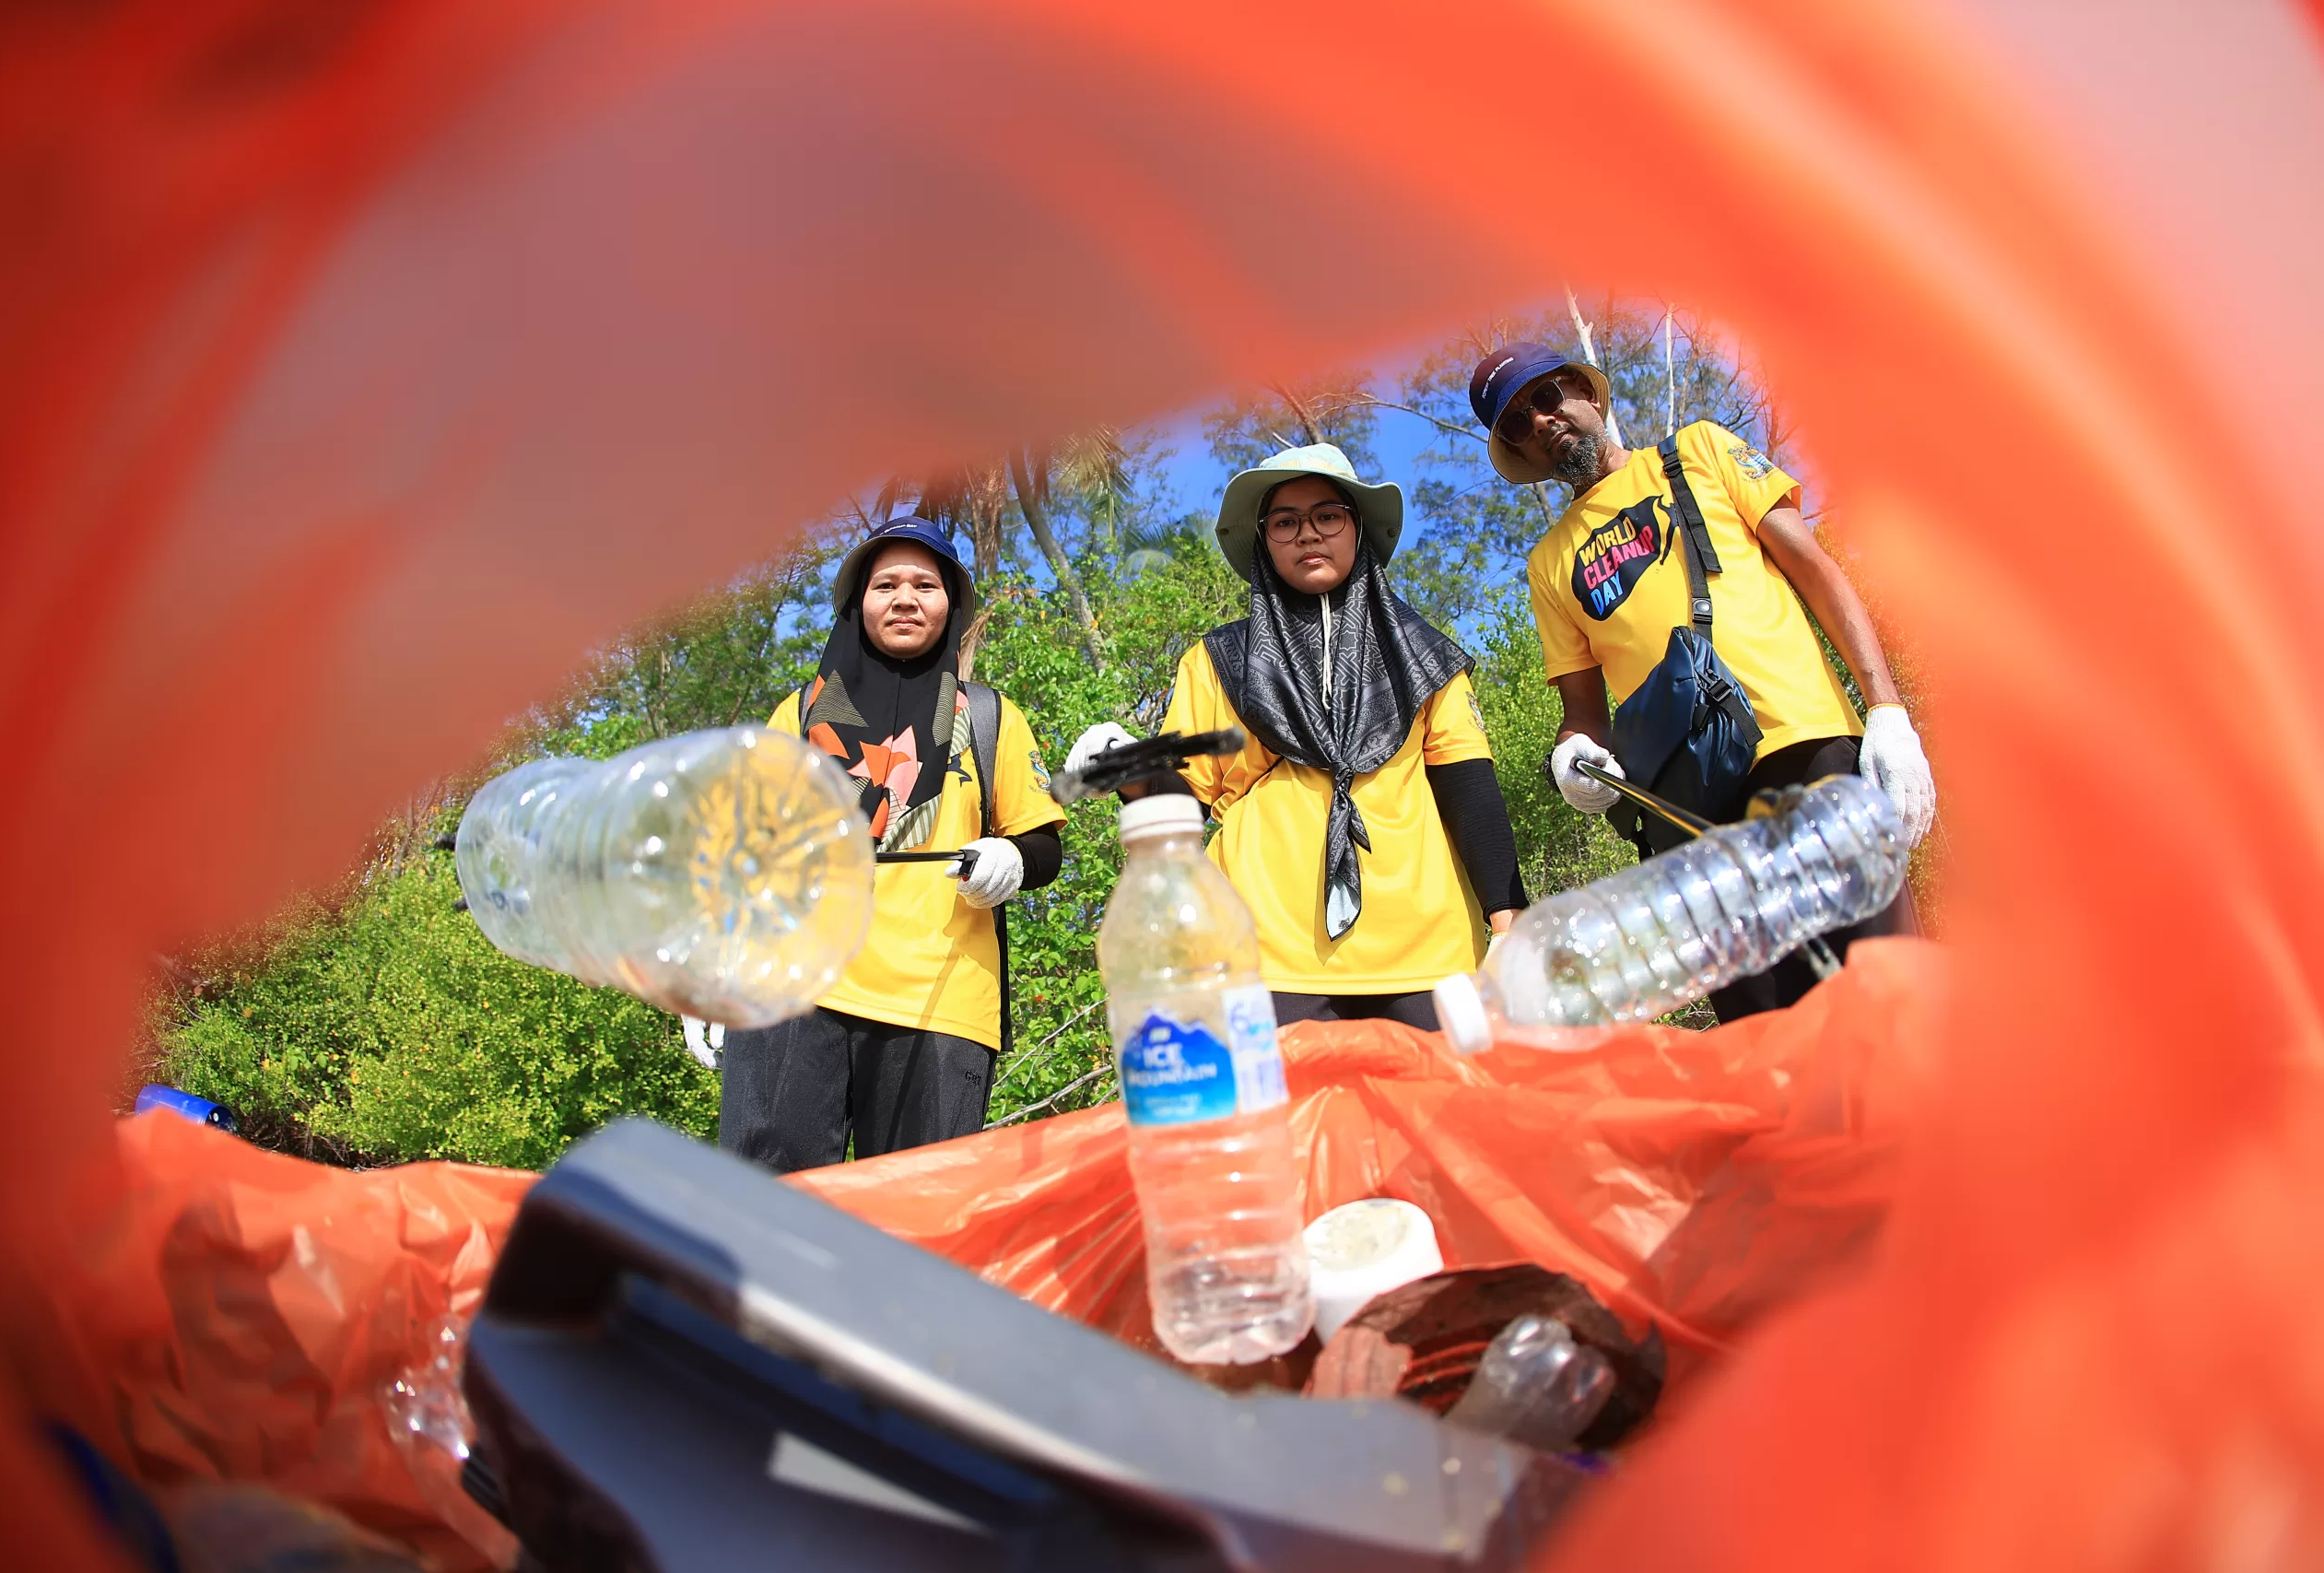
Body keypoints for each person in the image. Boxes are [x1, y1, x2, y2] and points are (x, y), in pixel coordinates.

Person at [1466, 343, 1935, 1021]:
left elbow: (1815, 569)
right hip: (1691, 816)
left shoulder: (1699, 451)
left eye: (1546, 396)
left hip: (1806, 753)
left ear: (1584, 392)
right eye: (1517, 422)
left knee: (1893, 995)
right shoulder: (1550, 563)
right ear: (1518, 449)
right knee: (1771, 1037)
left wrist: (1887, 710)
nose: (1540, 420)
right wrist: (1575, 755)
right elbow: (1584, 715)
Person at [1066, 444, 1526, 1031]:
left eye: (1327, 515)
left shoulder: (1427, 657)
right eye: (1285, 522)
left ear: (1357, 528)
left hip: (1429, 952)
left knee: (1436, 1094)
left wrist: (1510, 924)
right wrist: (1125, 766)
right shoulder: (1217, 661)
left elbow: (1470, 791)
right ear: (1264, 541)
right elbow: (1185, 799)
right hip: (1263, 954)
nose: (1308, 533)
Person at [719, 515, 1066, 1169]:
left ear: (951, 605)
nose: (905, 598)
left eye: (925, 586)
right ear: (858, 603)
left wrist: (1015, 858)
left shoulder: (990, 718)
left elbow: (1043, 842)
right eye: (886, 585)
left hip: (940, 1002)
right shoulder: (796, 716)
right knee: (765, 1205)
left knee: (923, 1214)